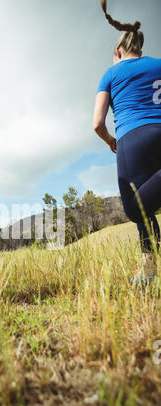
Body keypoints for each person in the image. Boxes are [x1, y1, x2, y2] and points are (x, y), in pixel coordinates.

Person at [93, 0, 161, 284]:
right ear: (141, 51)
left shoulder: (111, 73)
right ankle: (149, 274)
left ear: (118, 52)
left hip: (132, 139)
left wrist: (111, 141)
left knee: (135, 209)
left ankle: (149, 272)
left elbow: (97, 123)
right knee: (145, 209)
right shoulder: (158, 64)